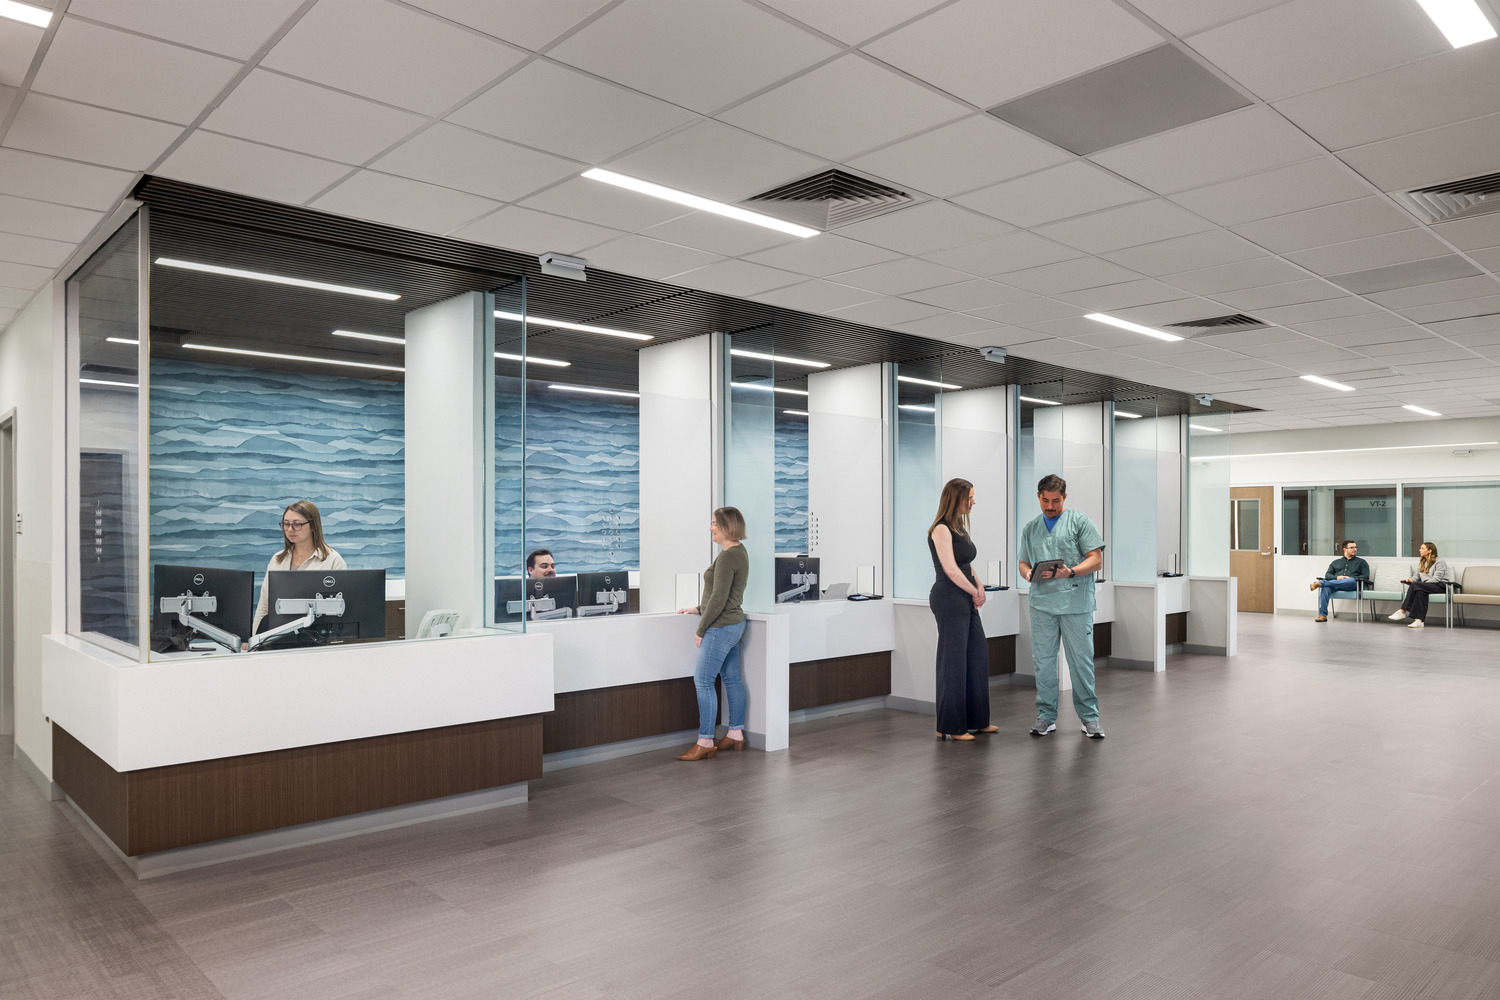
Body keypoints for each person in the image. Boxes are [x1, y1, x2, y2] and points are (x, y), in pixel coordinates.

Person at [1018, 474, 1106, 739]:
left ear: (1064, 497)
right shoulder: (1030, 528)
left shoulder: (1080, 522)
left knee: (1080, 662)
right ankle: (1046, 715)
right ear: (1038, 497)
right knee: (1043, 663)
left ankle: (1089, 718)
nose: (1050, 506)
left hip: (1075, 602)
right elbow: (1023, 562)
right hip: (1042, 603)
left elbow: (1096, 560)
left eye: (1055, 501)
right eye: (1045, 500)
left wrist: (1071, 572)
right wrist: (1027, 574)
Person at [674, 507, 750, 761]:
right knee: (732, 679)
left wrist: (701, 628)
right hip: (734, 623)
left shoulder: (729, 556)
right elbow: (724, 596)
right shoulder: (739, 552)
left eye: (714, 523)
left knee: (703, 681)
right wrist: (696, 608)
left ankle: (706, 740)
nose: (711, 528)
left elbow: (719, 598)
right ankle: (736, 733)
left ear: (728, 526)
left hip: (720, 626)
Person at [928, 478, 991, 741]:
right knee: (953, 662)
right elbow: (950, 570)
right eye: (970, 498)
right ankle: (951, 726)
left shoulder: (959, 527)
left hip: (964, 594)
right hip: (949, 596)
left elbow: (964, 563)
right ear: (957, 498)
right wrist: (972, 591)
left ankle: (977, 720)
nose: (974, 502)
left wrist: (980, 586)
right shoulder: (941, 529)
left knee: (976, 655)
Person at [248, 500, 347, 641]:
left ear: (313, 526)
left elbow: (341, 612)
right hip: (278, 637)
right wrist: (254, 640)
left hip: (315, 639)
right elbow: (264, 606)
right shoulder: (277, 560)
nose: (290, 529)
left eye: (297, 524)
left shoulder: (332, 560)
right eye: (286, 524)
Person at [1388, 541, 1452, 629]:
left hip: (1440, 586)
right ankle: (1419, 621)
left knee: (1416, 585)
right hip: (1426, 586)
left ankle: (1402, 611)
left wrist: (1421, 584)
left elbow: (1436, 579)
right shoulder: (1422, 562)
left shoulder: (1440, 561)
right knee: (1420, 592)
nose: (1419, 550)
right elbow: (1415, 577)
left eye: (1422, 548)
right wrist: (1408, 580)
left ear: (1430, 550)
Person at [1310, 539, 1369, 622]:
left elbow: (1366, 576)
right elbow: (1328, 575)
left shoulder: (1362, 562)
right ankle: (1322, 615)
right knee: (1326, 588)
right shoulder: (1336, 562)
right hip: (1336, 584)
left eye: (1356, 547)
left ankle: (1321, 583)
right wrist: (1337, 578)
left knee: (1350, 581)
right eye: (1352, 547)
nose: (1355, 549)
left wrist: (1350, 578)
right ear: (1345, 549)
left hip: (1352, 584)